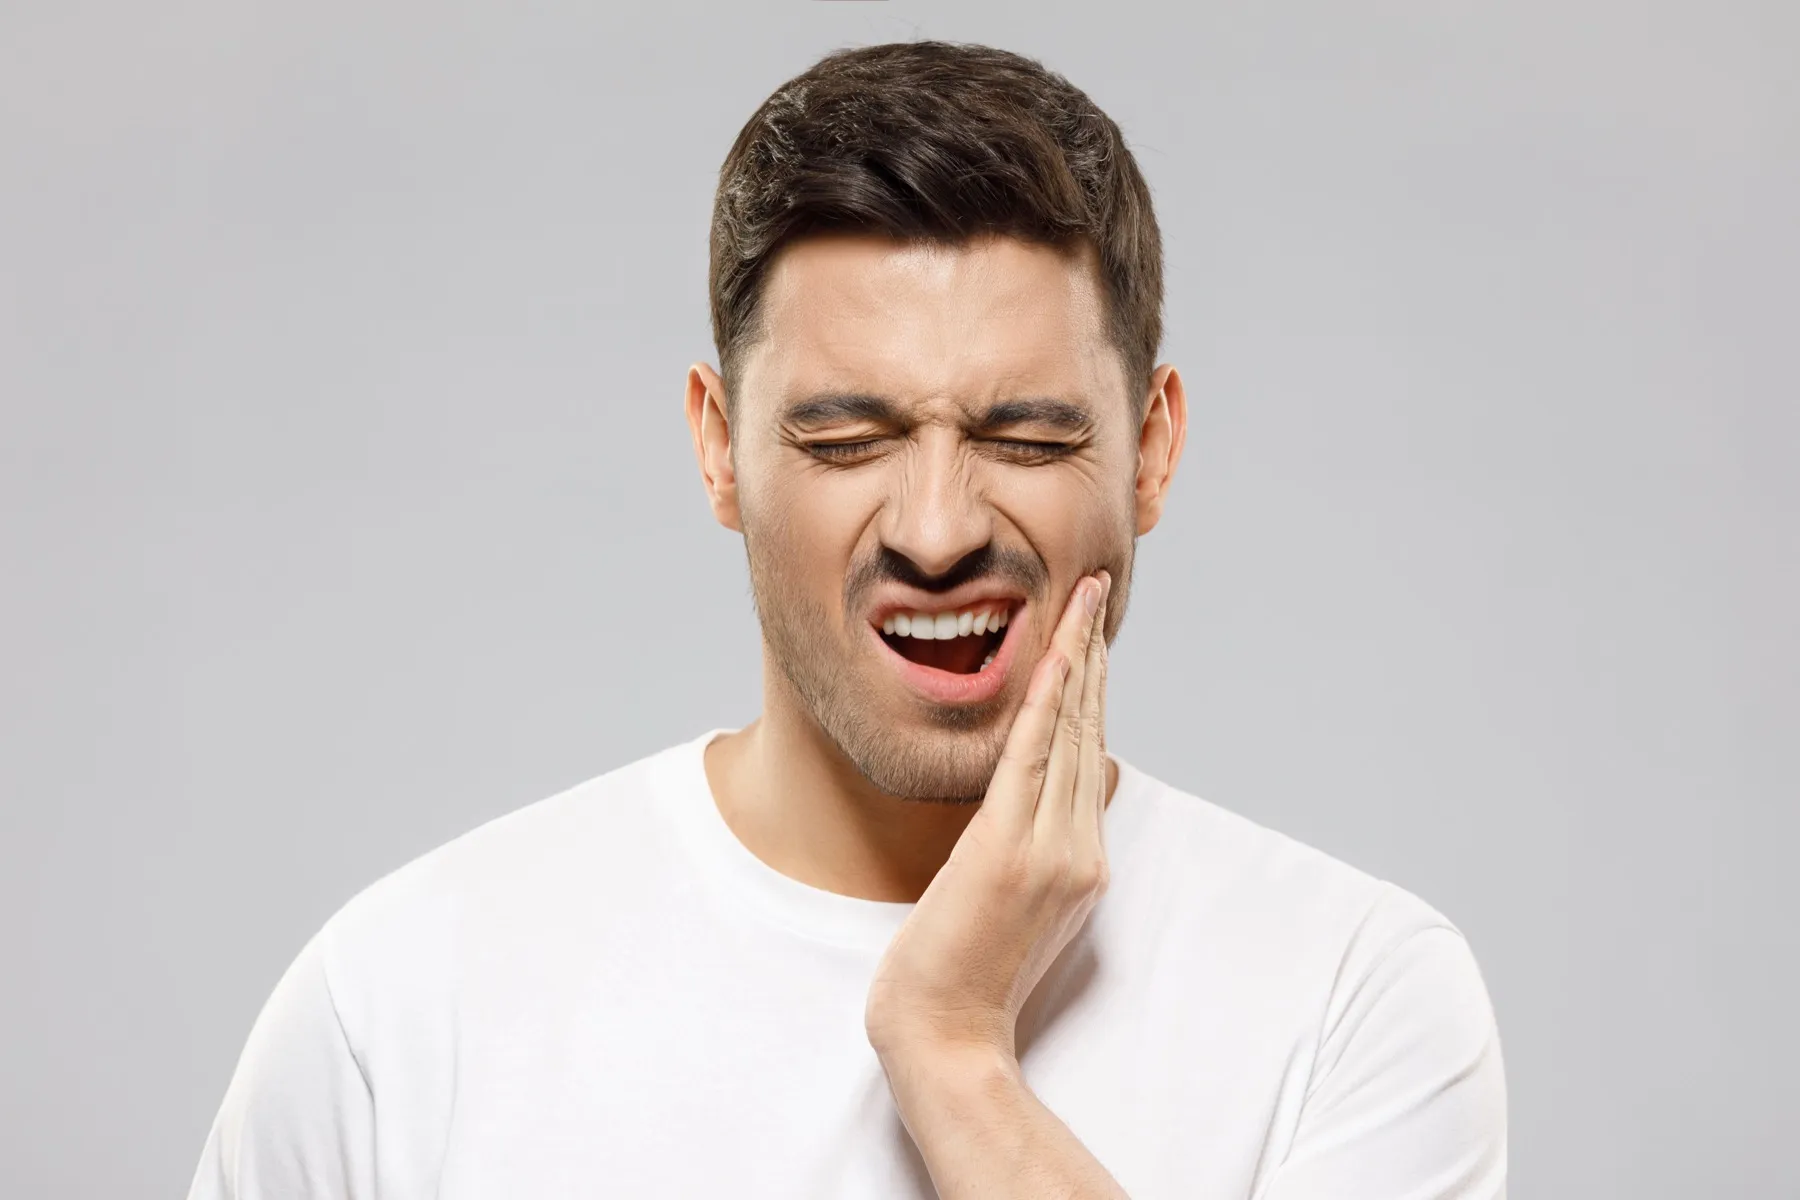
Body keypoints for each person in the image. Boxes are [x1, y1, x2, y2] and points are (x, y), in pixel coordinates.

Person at [187, 41, 1506, 1199]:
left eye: (1026, 436)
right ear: (719, 448)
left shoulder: (1353, 997)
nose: (935, 532)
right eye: (845, 439)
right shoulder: (400, 1007)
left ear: (1152, 450)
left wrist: (952, 1052)